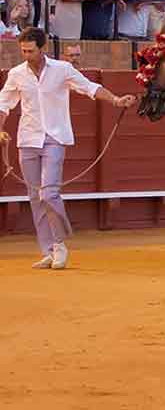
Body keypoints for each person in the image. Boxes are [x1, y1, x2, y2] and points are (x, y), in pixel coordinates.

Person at [0, 27, 136, 270]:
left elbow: (90, 88)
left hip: (55, 137)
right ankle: (48, 250)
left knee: (48, 193)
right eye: (23, 50)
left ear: (42, 49)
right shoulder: (17, 74)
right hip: (28, 140)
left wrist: (115, 100)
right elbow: (4, 104)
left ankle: (60, 243)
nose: (26, 55)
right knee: (34, 197)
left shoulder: (62, 70)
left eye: (30, 51)